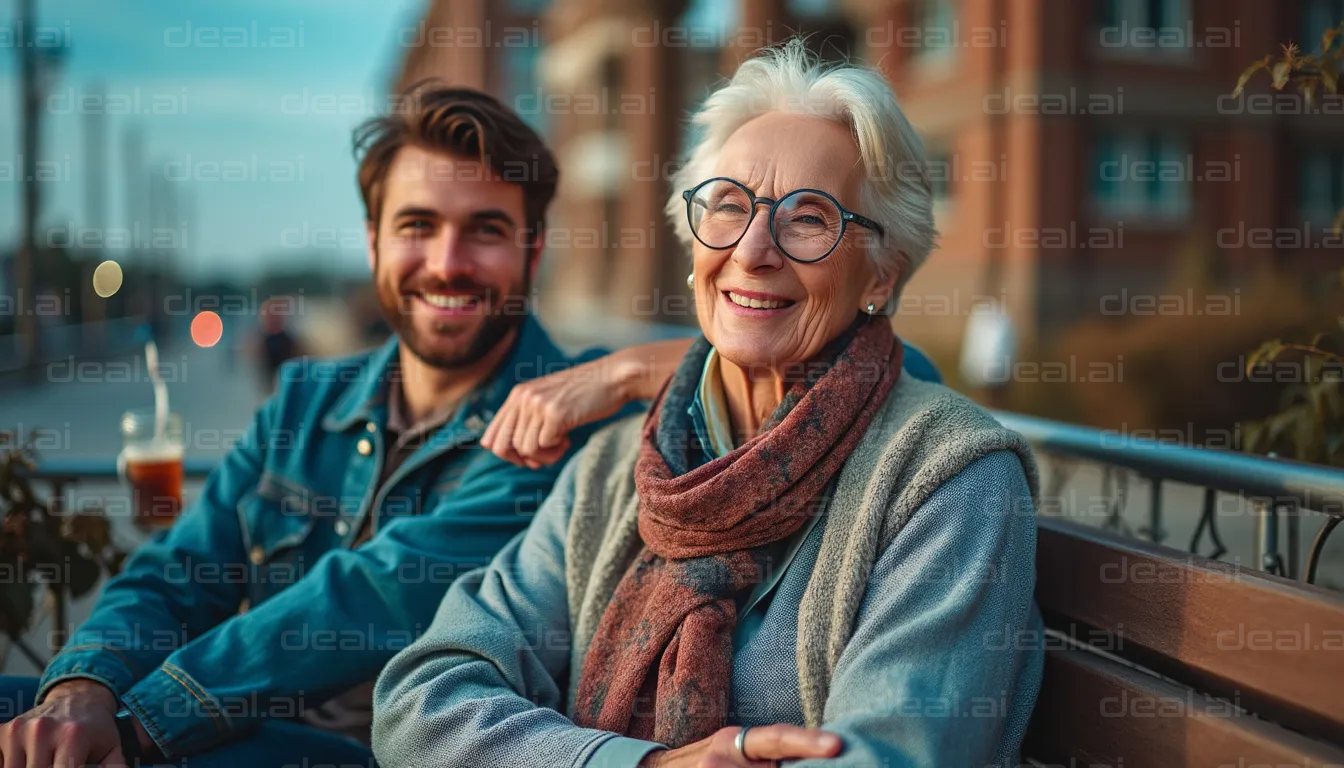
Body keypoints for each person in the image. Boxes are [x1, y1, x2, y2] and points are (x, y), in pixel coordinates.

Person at [372, 40, 1044, 768]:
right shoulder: (612, 468)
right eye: (727, 206)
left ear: (882, 273)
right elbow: (420, 702)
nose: (753, 249)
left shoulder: (947, 479)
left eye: (808, 218)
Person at [0, 85, 685, 767]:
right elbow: (180, 570)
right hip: (239, 733)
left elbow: (370, 593)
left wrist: (619, 372)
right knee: (24, 717)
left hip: (405, 752)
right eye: (417, 225)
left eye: (486, 229)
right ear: (373, 243)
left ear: (533, 253)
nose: (447, 263)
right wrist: (84, 687)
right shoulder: (305, 399)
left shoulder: (571, 417)